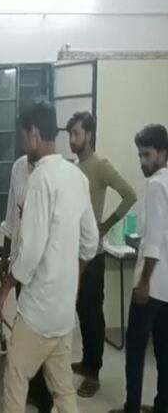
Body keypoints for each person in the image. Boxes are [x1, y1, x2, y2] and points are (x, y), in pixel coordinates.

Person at [0, 101, 99, 413]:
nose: (22, 144)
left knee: (15, 379)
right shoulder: (76, 176)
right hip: (63, 311)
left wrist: (4, 289)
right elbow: (90, 242)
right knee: (63, 390)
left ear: (34, 134)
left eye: (23, 137)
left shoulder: (39, 179)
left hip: (38, 313)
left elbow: (30, 253)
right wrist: (73, 278)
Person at [67, 111, 137, 398]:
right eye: (70, 134)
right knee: (81, 312)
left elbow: (130, 195)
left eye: (76, 133)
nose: (72, 139)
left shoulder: (100, 166)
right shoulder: (74, 167)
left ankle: (93, 373)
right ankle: (87, 361)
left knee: (92, 313)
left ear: (89, 134)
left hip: (92, 255)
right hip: (73, 254)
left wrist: (105, 225)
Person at [110, 124, 168, 413]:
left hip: (151, 284)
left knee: (134, 350)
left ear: (163, 153)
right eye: (140, 156)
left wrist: (144, 282)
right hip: (166, 286)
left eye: (147, 155)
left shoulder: (156, 185)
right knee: (164, 350)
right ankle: (162, 406)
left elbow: (154, 240)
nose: (143, 161)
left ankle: (131, 408)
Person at [0, 152, 54, 413]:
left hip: (46, 267)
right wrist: (5, 255)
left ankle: (44, 395)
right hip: (22, 264)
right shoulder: (19, 168)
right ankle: (34, 388)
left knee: (41, 332)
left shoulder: (55, 172)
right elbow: (12, 216)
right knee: (26, 326)